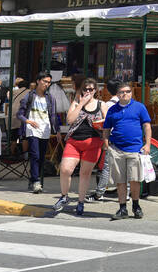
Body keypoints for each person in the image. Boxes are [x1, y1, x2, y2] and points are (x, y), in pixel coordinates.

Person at [54, 77, 105, 216]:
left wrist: (102, 126)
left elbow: (108, 124)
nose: (88, 91)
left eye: (91, 89)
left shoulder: (101, 104)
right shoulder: (76, 102)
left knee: (85, 173)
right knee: (65, 169)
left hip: (93, 143)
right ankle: (64, 196)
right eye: (85, 89)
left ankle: (81, 202)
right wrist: (81, 103)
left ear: (95, 90)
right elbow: (70, 119)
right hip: (74, 141)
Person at [101, 82, 151, 220]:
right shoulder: (112, 110)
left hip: (135, 149)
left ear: (131, 93)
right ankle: (122, 208)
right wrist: (106, 144)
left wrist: (147, 144)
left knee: (135, 180)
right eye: (122, 92)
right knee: (120, 181)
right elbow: (106, 128)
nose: (125, 94)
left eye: (128, 91)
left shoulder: (139, 107)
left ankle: (136, 206)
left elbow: (147, 126)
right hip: (117, 149)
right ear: (117, 95)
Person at [17, 73, 58, 194]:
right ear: (38, 81)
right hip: (32, 129)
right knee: (35, 155)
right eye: (45, 81)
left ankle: (33, 179)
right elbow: (19, 114)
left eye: (49, 82)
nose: (47, 84)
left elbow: (53, 116)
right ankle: (36, 180)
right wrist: (28, 121)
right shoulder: (29, 96)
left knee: (41, 157)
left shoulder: (50, 98)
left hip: (45, 130)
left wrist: (57, 130)